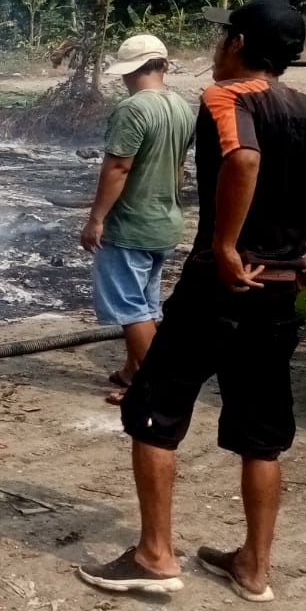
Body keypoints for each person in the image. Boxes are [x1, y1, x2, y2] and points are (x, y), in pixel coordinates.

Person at [80, 0, 306, 603]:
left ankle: (155, 556)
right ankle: (253, 567)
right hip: (279, 288)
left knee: (152, 409)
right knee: (262, 434)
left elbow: (244, 160)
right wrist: (304, 249)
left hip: (222, 284)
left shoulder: (226, 96)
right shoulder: (305, 108)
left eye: (223, 35)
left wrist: (228, 244)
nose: (217, 45)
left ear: (238, 44)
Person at [79, 34, 196, 402]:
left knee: (131, 309)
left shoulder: (133, 109)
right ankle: (133, 371)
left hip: (131, 225)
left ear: (131, 70)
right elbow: (178, 166)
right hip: (164, 221)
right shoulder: (181, 107)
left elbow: (119, 167)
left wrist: (96, 218)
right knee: (145, 303)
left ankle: (151, 387)